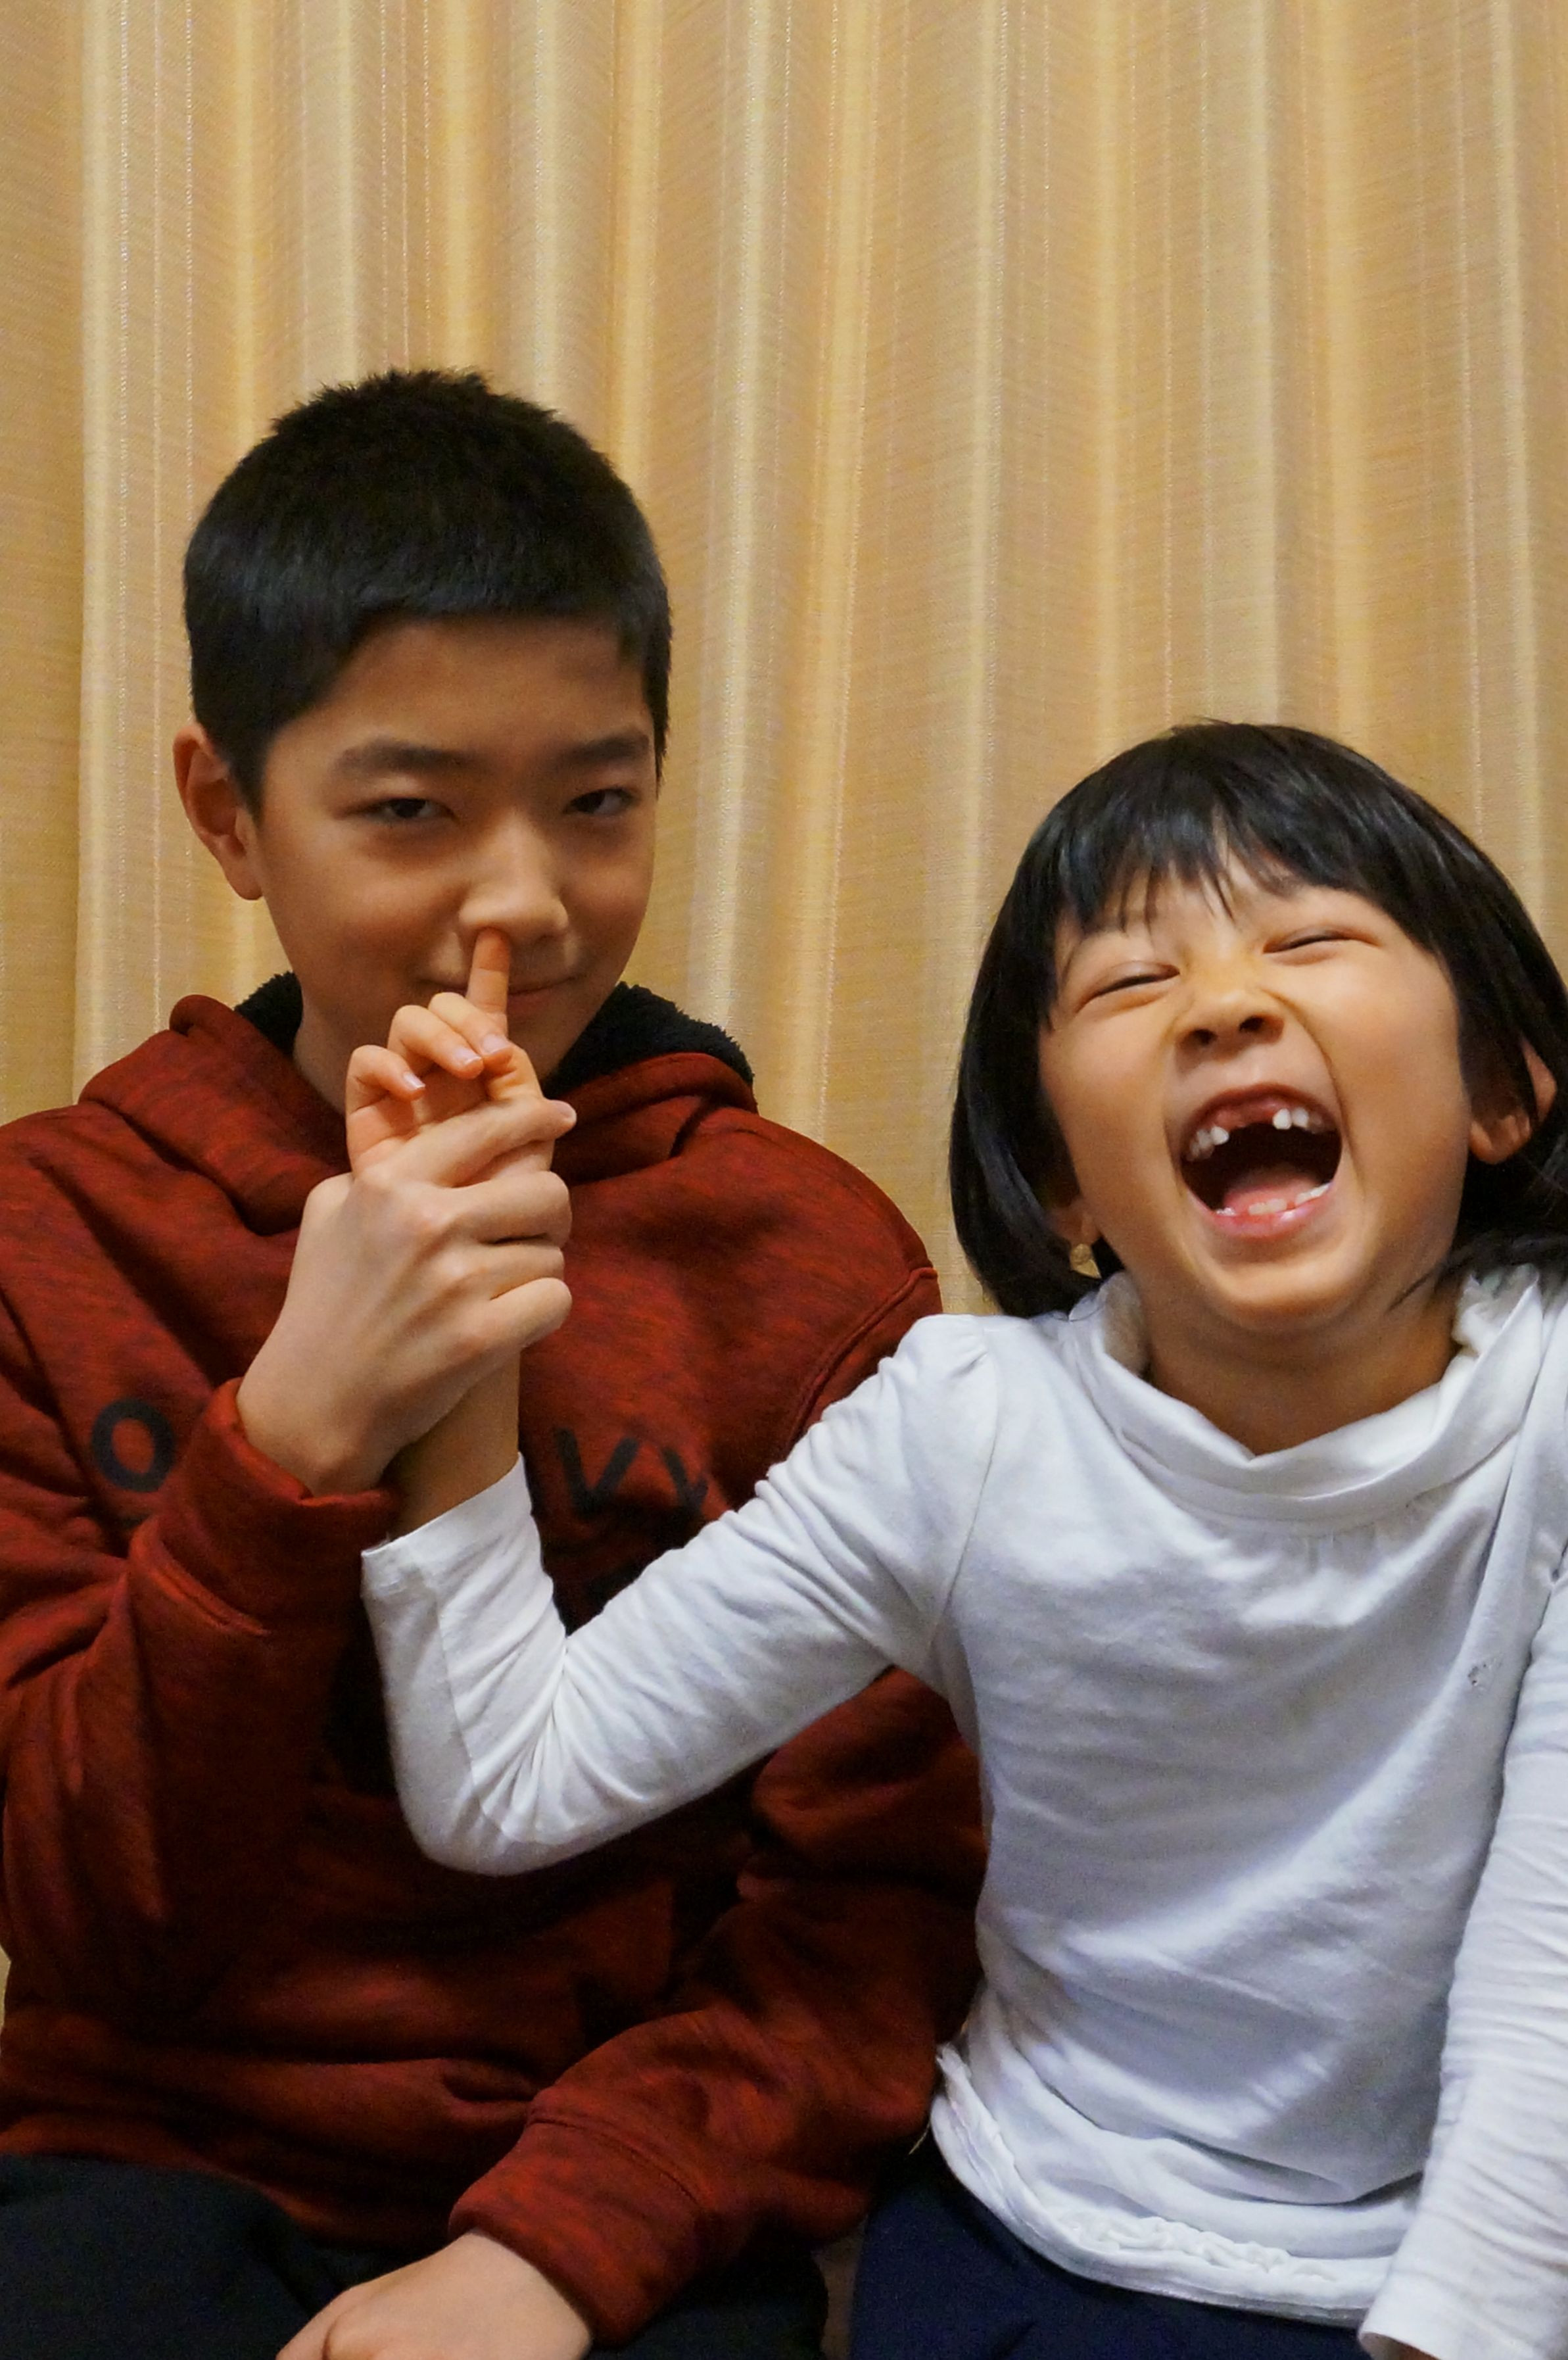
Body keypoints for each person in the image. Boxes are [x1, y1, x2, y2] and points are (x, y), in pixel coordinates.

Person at [360, 721, 1568, 2360]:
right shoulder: (965, 1428)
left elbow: (1542, 1987)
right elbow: (510, 1778)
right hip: (1032, 2230)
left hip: (1464, 2260)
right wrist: (459, 1317)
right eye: (1131, 980)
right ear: (1061, 1183)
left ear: (1499, 1088)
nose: (1223, 1004)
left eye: (1306, 941)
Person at [0, 368, 983, 2360]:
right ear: (229, 813)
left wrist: (553, 2247)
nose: (522, 900)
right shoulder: (52, 1234)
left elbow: (868, 1914)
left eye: (598, 802)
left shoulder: (803, 1262)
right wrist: (295, 1428)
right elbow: (91, 1909)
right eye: (411, 811)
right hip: (138, 2156)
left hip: (618, 2189)